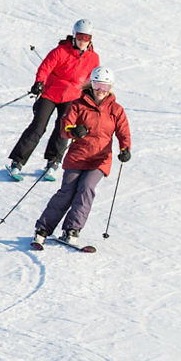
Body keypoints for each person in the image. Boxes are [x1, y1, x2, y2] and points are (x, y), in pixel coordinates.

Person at [31, 66, 131, 250]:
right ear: (90, 85)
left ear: (111, 88)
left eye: (105, 86)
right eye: (97, 85)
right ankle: (43, 229)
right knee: (67, 192)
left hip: (100, 159)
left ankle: (72, 230)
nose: (101, 91)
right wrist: (74, 130)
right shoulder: (78, 105)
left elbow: (123, 131)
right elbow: (65, 127)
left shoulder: (115, 109)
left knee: (86, 188)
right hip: (78, 156)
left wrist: (125, 149)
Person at [7, 19, 100, 182]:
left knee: (64, 128)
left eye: (86, 37)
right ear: (74, 35)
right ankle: (18, 162)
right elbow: (45, 67)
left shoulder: (93, 58)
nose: (82, 41)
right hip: (50, 94)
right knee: (38, 127)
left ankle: (53, 161)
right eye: (80, 36)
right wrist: (39, 82)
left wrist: (90, 95)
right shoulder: (61, 51)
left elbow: (91, 79)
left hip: (72, 96)